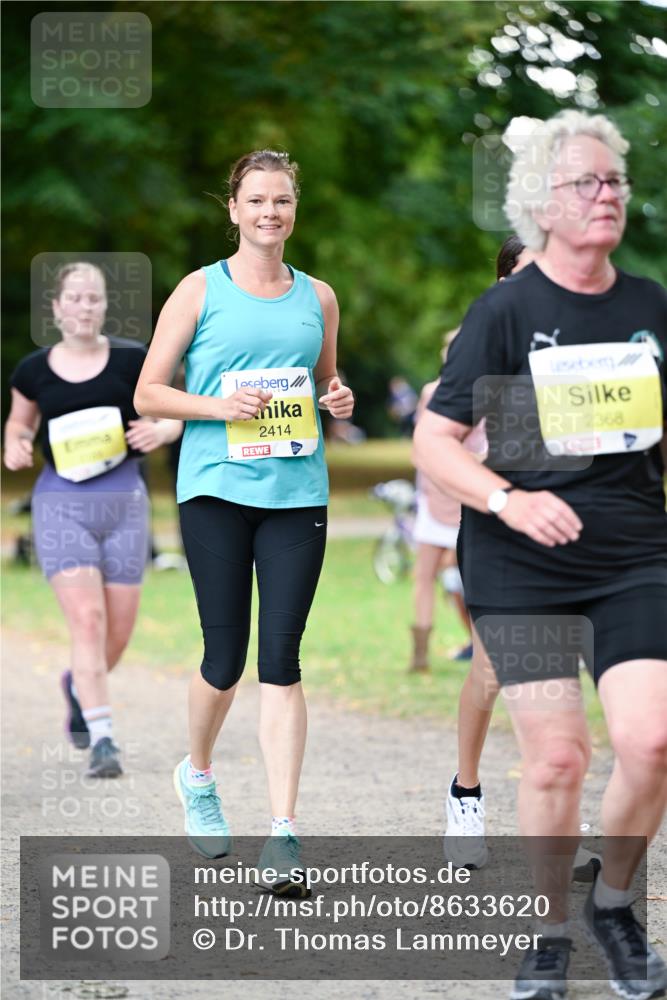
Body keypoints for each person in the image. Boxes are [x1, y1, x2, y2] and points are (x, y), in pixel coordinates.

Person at [414, 111, 667, 1000]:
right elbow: (434, 440)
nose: (606, 197)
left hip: (635, 553)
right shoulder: (506, 308)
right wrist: (509, 499)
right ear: (540, 207)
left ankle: (613, 902)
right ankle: (547, 934)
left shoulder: (649, 307)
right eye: (584, 184)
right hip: (519, 562)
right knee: (557, 757)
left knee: (653, 739)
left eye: (614, 183)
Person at [133, 149, 354, 896]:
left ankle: (284, 831)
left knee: (281, 659)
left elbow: (328, 380)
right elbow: (149, 393)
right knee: (223, 657)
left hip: (297, 494)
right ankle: (197, 775)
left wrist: (339, 401)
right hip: (215, 491)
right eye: (256, 200)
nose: (270, 212)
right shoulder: (200, 290)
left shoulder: (318, 296)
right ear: (232, 209)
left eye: (282, 201)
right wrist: (217, 406)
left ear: (295, 208)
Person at [4, 262, 182, 777]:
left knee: (118, 634)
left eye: (94, 299)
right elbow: (20, 422)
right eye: (75, 299)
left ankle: (77, 685)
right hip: (62, 503)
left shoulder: (133, 360)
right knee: (88, 620)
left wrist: (161, 433)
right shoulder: (32, 370)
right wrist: (15, 444)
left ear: (105, 306)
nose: (85, 307)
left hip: (125, 501)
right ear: (57, 308)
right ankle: (103, 739)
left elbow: (170, 410)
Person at [408, 330, 486, 672]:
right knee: (440, 575)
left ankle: (425, 655)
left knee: (434, 576)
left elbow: (422, 446)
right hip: (458, 489)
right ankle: (429, 653)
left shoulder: (435, 392)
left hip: (451, 491)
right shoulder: (485, 389)